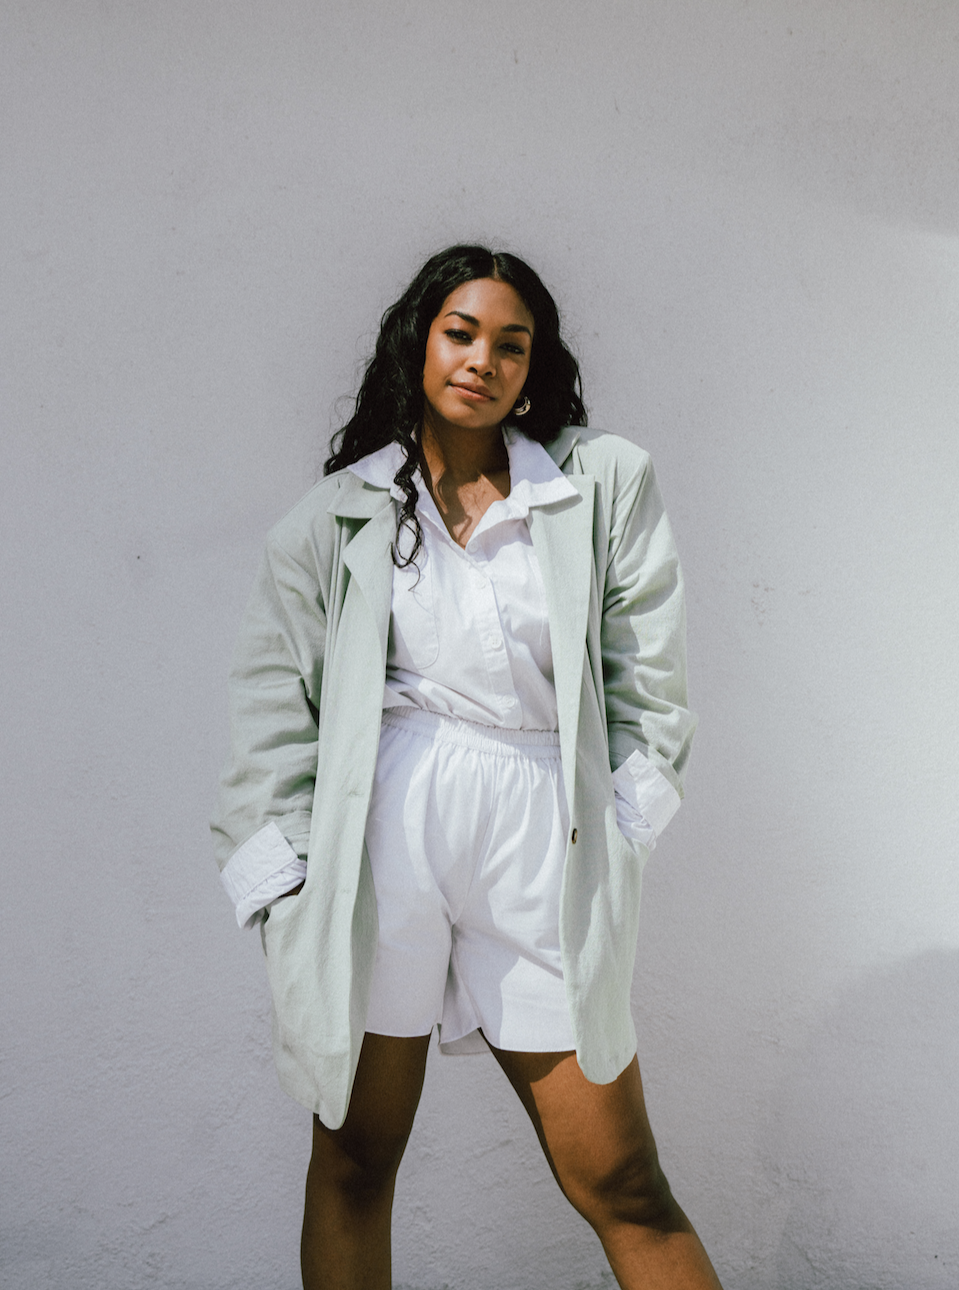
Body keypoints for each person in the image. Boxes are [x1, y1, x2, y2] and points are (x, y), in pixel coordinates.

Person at [212, 245, 723, 1289]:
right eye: (461, 333)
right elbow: (271, 717)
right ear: (419, 342)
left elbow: (648, 682)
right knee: (354, 1161)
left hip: (542, 829)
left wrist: (621, 831)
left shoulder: (599, 483)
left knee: (620, 1176)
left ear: (532, 369)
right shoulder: (334, 518)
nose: (482, 359)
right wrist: (289, 891)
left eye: (510, 344)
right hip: (382, 834)